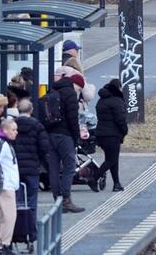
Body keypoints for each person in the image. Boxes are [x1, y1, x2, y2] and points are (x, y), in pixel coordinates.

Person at [44, 69, 85, 213]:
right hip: (65, 135)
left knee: (54, 169)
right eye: (79, 89)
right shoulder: (70, 93)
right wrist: (76, 137)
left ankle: (58, 201)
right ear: (76, 84)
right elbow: (73, 118)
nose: (79, 92)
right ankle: (66, 199)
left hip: (50, 135)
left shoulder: (52, 90)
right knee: (69, 167)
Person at [13, 98, 49, 241]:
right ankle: (31, 232)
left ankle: (17, 231)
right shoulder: (37, 126)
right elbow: (44, 148)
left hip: (15, 170)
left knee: (16, 200)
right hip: (32, 169)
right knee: (32, 201)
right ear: (31, 110)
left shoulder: (12, 125)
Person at [0, 118, 19, 253]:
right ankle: (3, 245)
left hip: (7, 185)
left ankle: (1, 244)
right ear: (5, 130)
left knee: (4, 217)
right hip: (5, 186)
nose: (16, 132)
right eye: (13, 130)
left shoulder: (3, 143)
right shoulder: (0, 143)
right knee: (8, 217)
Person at [94, 79, 129, 192]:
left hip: (101, 134)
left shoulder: (101, 100)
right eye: (120, 87)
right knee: (112, 159)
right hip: (112, 135)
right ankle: (94, 177)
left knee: (112, 158)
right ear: (117, 88)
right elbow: (121, 120)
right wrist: (125, 131)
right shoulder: (117, 101)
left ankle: (116, 183)